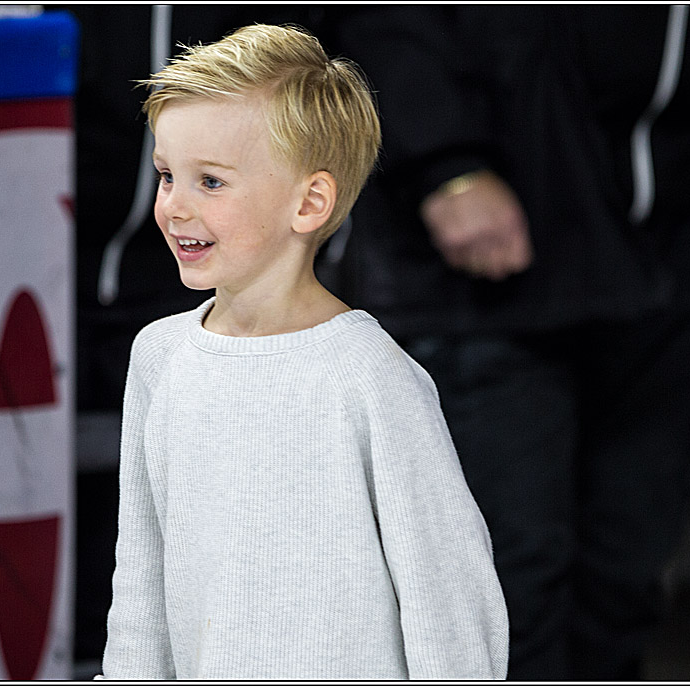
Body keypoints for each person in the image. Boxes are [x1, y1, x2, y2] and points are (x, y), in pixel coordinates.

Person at [332, 5, 690, 679]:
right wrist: (444, 163)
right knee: (503, 588)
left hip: (683, 259)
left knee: (623, 582)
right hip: (491, 272)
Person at [98, 24, 508, 680]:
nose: (174, 206)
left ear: (310, 202)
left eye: (210, 182)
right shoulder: (160, 356)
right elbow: (141, 581)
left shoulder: (372, 377)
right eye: (167, 175)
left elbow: (450, 602)